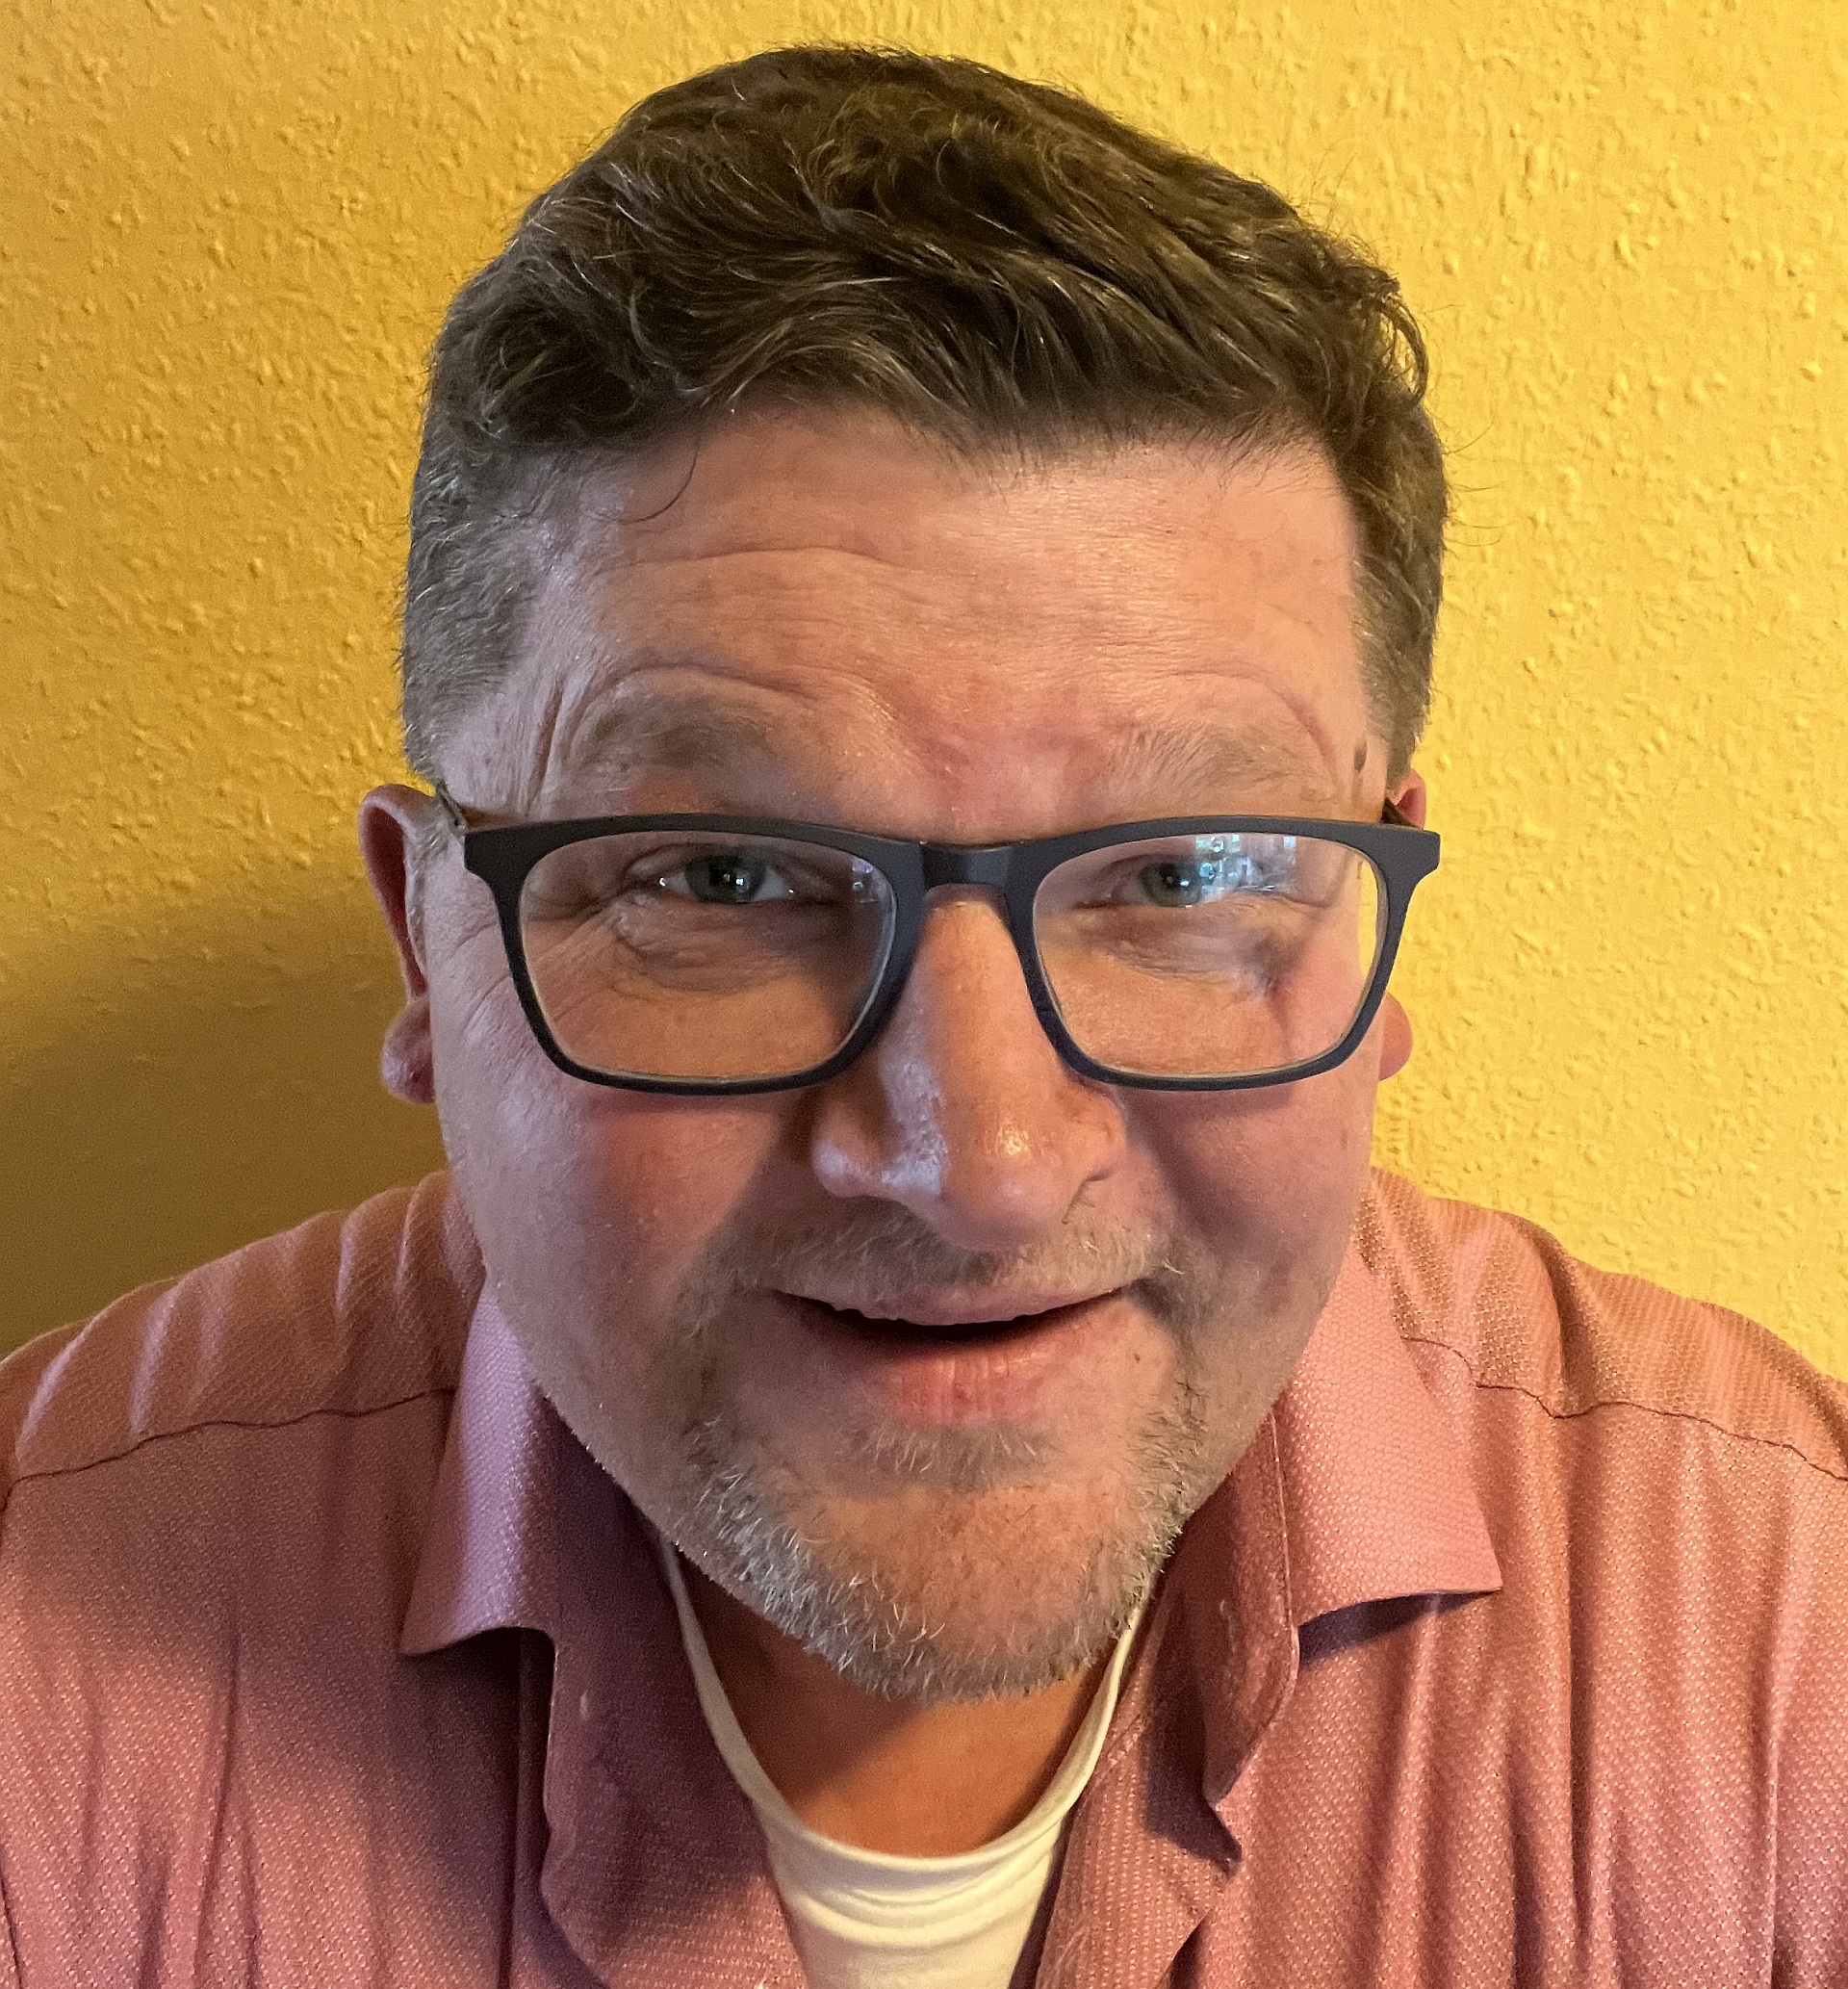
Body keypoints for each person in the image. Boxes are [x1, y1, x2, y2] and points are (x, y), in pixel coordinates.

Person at [1, 43, 1842, 1989]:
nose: (983, 1165)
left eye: (1178, 877)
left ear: (1373, 941)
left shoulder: (1781, 1640)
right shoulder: (42, 1663)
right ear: (421, 946)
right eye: (724, 877)